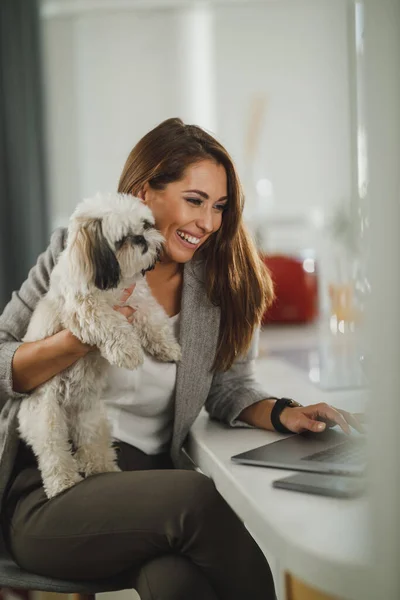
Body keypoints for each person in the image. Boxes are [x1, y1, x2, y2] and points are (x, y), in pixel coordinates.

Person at [0, 118, 361, 600]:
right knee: (197, 497)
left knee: (175, 582)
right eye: (195, 201)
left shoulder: (217, 284)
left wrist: (281, 411)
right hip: (52, 488)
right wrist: (76, 340)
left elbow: (227, 386)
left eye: (219, 207)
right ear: (146, 192)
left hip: (146, 487)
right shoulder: (78, 251)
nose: (208, 223)